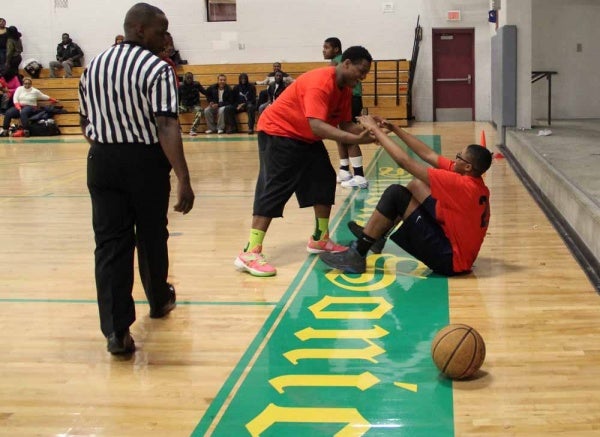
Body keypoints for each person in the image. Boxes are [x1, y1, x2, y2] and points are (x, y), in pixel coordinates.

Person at [78, 2, 195, 355]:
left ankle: (117, 332)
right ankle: (159, 300)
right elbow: (166, 125)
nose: (166, 39)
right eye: (161, 31)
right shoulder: (157, 68)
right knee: (151, 235)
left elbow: (86, 123)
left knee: (110, 246)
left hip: (101, 159)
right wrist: (183, 178)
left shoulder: (93, 65)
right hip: (143, 161)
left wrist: (107, 145)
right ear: (140, 29)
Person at [234, 46, 374, 277]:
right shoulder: (321, 82)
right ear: (346, 63)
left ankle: (320, 238)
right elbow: (317, 125)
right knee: (275, 187)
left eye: (366, 73)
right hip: (279, 132)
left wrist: (371, 130)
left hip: (304, 136)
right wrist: (357, 138)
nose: (363, 77)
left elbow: (346, 124)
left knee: (324, 179)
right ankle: (250, 251)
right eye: (361, 71)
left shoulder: (345, 89)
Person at [320, 115, 493, 275]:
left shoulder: (461, 184)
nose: (455, 160)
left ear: (468, 167)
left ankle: (357, 254)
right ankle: (378, 236)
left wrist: (376, 130)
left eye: (459, 157)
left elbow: (404, 162)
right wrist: (395, 129)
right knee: (417, 185)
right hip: (456, 247)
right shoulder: (472, 180)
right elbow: (428, 154)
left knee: (395, 194)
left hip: (448, 260)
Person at [323, 37, 368, 189]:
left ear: (336, 49)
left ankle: (359, 174)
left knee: (349, 135)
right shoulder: (341, 61)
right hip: (351, 99)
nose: (324, 50)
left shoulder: (337, 62)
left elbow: (326, 75)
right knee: (340, 134)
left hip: (351, 99)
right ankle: (344, 170)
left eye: (326, 47)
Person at [179, 71, 207, 136]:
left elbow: (205, 92)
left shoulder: (197, 84)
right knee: (174, 111)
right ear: (184, 78)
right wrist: (178, 105)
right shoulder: (181, 86)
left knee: (200, 110)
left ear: (193, 78)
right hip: (184, 106)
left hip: (195, 105)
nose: (189, 79)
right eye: (187, 78)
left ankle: (193, 130)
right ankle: (179, 129)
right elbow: (178, 97)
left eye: (190, 78)